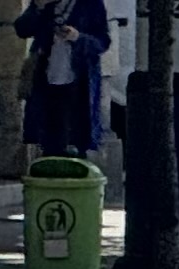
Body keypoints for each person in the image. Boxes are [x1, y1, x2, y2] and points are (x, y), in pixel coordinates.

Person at [14, 0, 111, 157]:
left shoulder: (91, 4)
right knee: (47, 137)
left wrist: (77, 37)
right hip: (46, 80)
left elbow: (102, 42)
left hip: (79, 82)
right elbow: (22, 29)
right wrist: (38, 8)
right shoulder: (44, 3)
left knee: (76, 138)